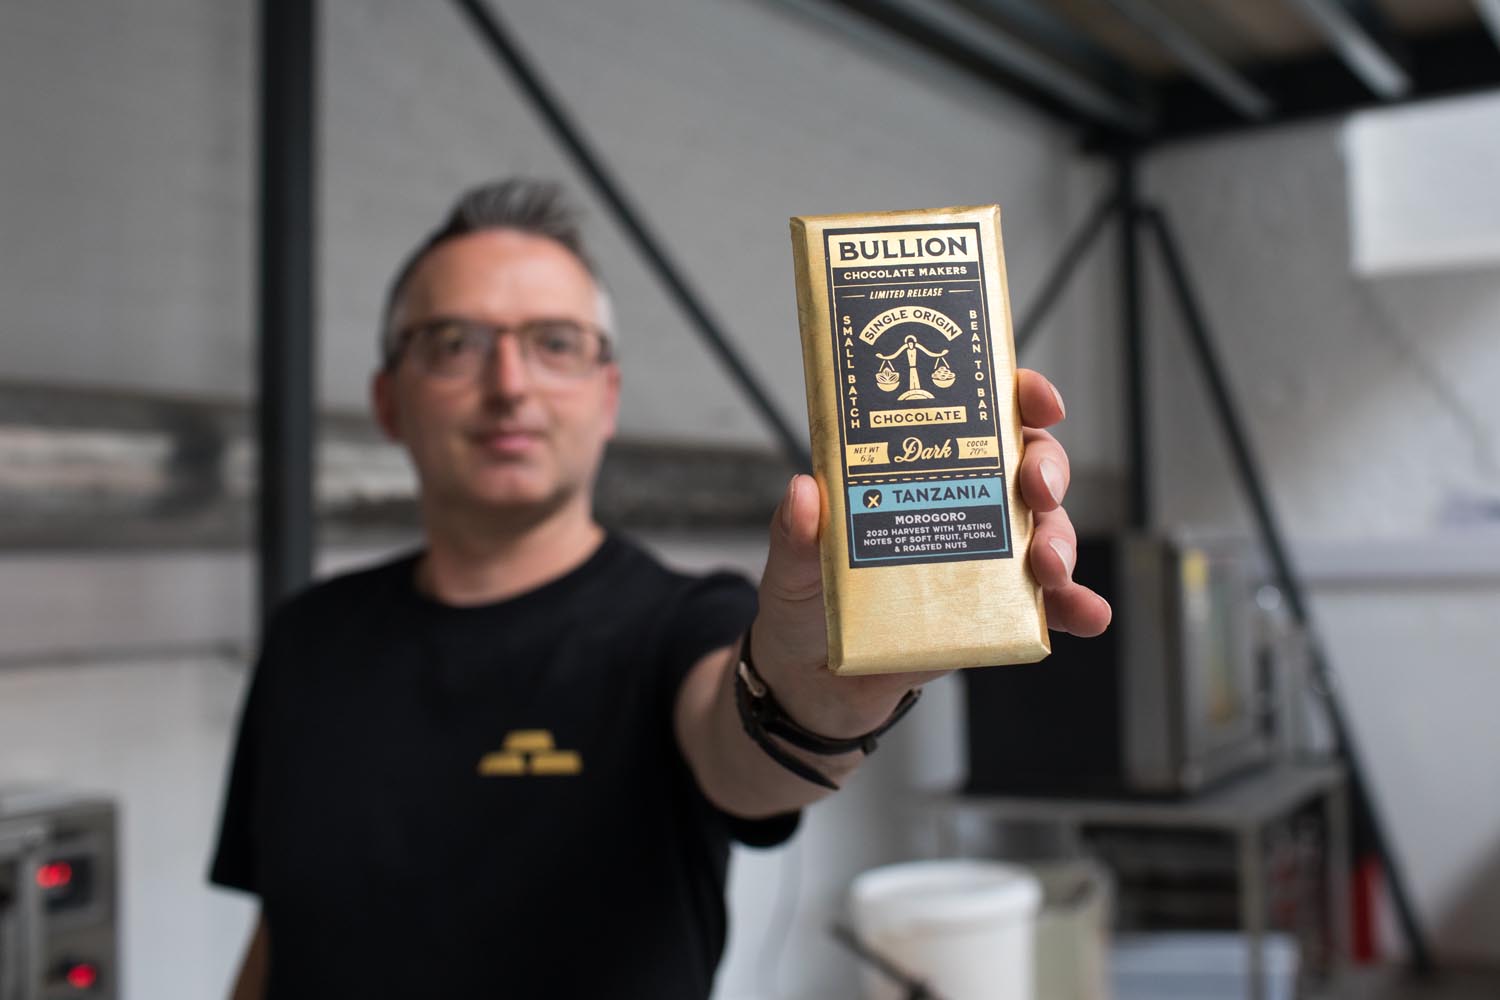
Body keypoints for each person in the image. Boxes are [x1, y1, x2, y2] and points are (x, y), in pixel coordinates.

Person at [210, 178, 1110, 999]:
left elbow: (744, 747)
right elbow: (279, 936)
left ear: (607, 396)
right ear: (388, 401)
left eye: (554, 344)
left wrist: (833, 686)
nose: (509, 384)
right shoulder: (306, 639)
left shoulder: (681, 625)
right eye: (454, 344)